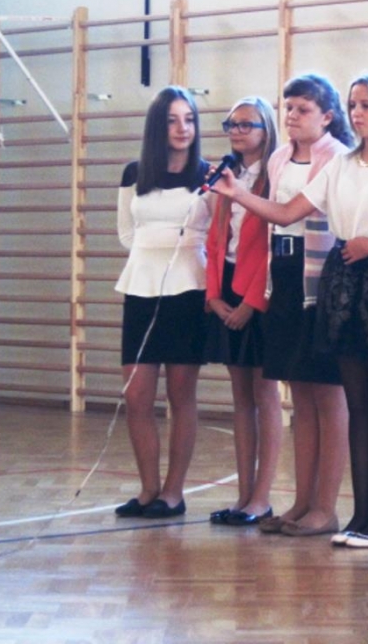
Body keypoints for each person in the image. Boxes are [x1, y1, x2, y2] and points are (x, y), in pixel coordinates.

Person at [211, 72, 368, 548]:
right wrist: (237, 193)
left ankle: (367, 513)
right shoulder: (340, 164)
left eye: (366, 104)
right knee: (328, 398)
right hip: (324, 281)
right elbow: (287, 214)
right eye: (354, 104)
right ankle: (336, 509)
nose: (357, 113)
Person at [255, 75, 354, 537]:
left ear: (327, 116)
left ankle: (326, 506)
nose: (292, 116)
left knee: (327, 394)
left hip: (321, 278)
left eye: (303, 109)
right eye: (289, 108)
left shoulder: (337, 157)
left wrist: (237, 194)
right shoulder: (278, 157)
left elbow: (295, 212)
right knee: (299, 393)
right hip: (284, 274)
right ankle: (302, 500)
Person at [113, 86, 212, 519]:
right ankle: (148, 489)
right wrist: (151, 257)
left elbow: (215, 234)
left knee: (180, 394)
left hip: (188, 290)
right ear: (158, 126)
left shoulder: (209, 175)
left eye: (189, 119)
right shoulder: (134, 173)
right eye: (172, 120)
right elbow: (126, 232)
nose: (182, 128)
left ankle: (174, 492)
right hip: (141, 288)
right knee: (137, 395)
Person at [205, 96, 284, 526]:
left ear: (266, 129)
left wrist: (253, 302)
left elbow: (271, 246)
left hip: (262, 293)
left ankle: (262, 498)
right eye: (231, 124)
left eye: (246, 124)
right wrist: (213, 296)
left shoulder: (275, 177)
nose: (236, 131)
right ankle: (242, 496)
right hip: (228, 288)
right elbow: (215, 239)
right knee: (240, 398)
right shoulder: (225, 175)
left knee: (265, 395)